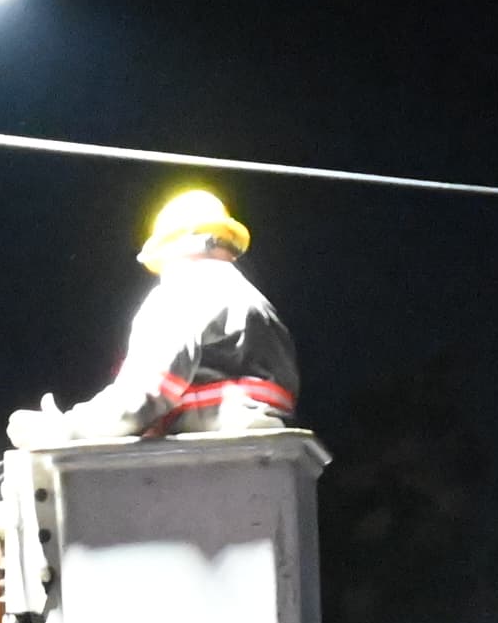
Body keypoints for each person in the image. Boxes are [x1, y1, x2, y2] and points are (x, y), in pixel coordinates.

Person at [17, 188, 299, 445]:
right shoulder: (258, 306)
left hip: (204, 467)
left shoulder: (184, 290)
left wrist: (64, 430)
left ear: (174, 248)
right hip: (261, 459)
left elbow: (144, 395)